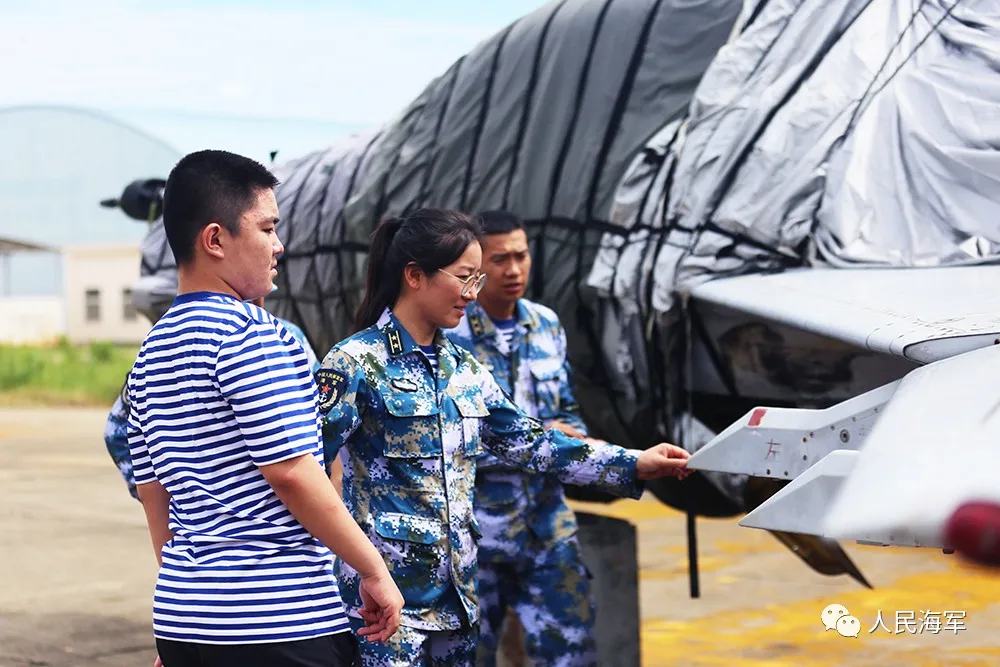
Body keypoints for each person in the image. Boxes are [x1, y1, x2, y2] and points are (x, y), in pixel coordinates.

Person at [315, 208, 691, 667]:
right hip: (387, 605)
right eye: (465, 278)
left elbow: (532, 442)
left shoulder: (465, 371)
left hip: (457, 603)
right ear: (415, 276)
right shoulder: (356, 363)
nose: (473, 294)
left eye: (478, 279)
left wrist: (633, 462)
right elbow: (308, 473)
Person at [123, 149, 403, 667]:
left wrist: (187, 607)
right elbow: (293, 471)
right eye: (267, 228)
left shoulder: (151, 352)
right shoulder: (252, 335)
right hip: (278, 625)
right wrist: (372, 568)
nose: (280, 246)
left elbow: (153, 490)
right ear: (215, 239)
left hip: (186, 623)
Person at [444, 210, 599, 666]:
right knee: (470, 657)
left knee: (572, 653)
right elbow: (448, 440)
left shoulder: (546, 324)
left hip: (547, 528)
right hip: (477, 538)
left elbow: (568, 409)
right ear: (475, 266)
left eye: (521, 256)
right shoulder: (452, 335)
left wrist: (572, 435)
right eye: (499, 259)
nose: (513, 270)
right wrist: (538, 442)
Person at [104, 287, 318, 500]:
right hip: (282, 514)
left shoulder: (161, 341)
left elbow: (117, 430)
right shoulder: (283, 336)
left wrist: (167, 500)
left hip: (196, 524)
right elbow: (323, 419)